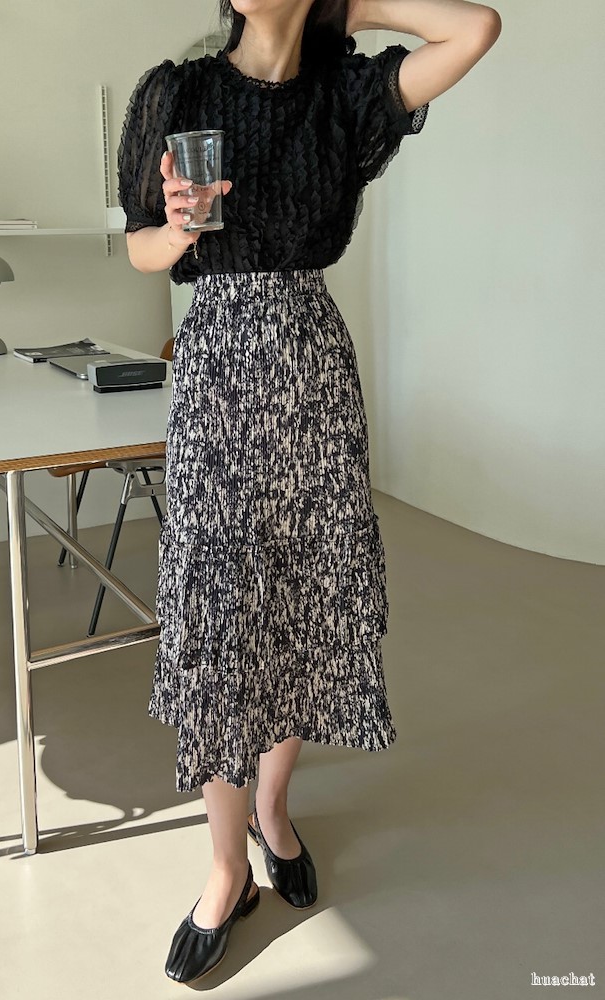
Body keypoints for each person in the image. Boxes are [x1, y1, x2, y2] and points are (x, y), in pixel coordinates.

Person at [117, 0, 500, 985]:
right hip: (217, 367)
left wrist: (353, 5)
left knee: (301, 603)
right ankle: (223, 869)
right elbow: (139, 246)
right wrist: (177, 227)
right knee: (219, 615)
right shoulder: (179, 93)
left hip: (313, 375)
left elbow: (474, 29)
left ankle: (275, 811)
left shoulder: (348, 97)